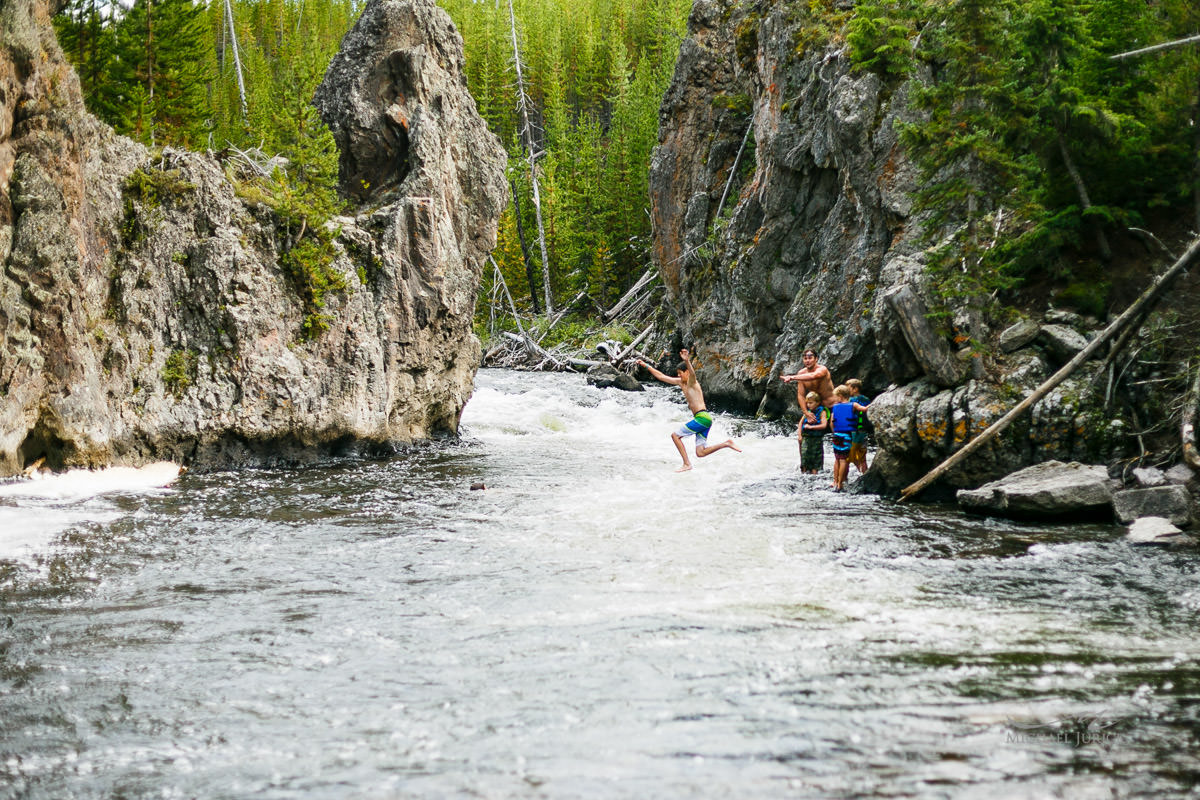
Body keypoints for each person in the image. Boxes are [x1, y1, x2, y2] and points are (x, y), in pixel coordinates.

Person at [637, 348, 741, 472]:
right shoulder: (681, 383)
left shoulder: (692, 382)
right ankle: (726, 443)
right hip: (704, 419)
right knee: (700, 452)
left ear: (686, 372)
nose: (679, 375)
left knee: (675, 436)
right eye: (678, 374)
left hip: (702, 418)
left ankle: (687, 464)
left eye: (681, 373)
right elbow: (661, 376)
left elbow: (692, 374)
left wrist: (687, 361)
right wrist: (645, 365)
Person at [829, 384, 869, 491]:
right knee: (843, 460)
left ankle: (835, 481)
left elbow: (832, 423)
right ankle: (840, 484)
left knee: (837, 459)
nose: (835, 399)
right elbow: (864, 409)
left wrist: (834, 432)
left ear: (840, 396)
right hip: (846, 435)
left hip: (836, 435)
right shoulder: (853, 405)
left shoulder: (835, 407)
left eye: (836, 397)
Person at [798, 391, 829, 474]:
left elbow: (824, 425)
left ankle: (814, 474)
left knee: (816, 459)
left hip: (817, 439)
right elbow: (800, 423)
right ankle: (804, 472)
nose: (808, 405)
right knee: (804, 456)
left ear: (817, 403)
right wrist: (800, 436)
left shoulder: (822, 412)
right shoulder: (807, 412)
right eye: (807, 403)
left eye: (811, 403)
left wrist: (811, 427)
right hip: (806, 438)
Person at [845, 378, 872, 474]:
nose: (846, 391)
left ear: (855, 389)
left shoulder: (850, 401)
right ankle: (864, 473)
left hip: (854, 431)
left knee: (849, 455)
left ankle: (847, 477)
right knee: (863, 456)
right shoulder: (866, 399)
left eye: (848, 389)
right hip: (863, 431)